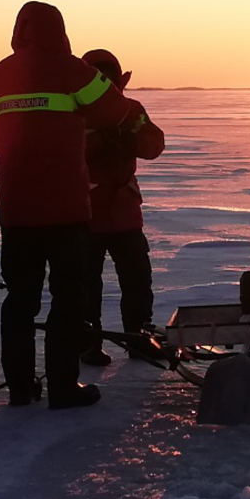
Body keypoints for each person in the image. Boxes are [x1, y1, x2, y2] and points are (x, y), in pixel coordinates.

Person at [0, 1, 112, 409]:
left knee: (20, 298)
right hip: (66, 210)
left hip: (17, 211)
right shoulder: (72, 70)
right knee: (69, 298)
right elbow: (113, 109)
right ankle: (64, 388)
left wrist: (22, 155)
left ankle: (20, 389)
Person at [76, 49, 167, 366]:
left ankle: (139, 340)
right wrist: (102, 142)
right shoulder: (74, 111)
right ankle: (87, 345)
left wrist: (130, 141)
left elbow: (154, 143)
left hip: (125, 214)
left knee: (138, 282)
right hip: (85, 214)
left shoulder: (131, 111)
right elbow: (62, 152)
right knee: (85, 286)